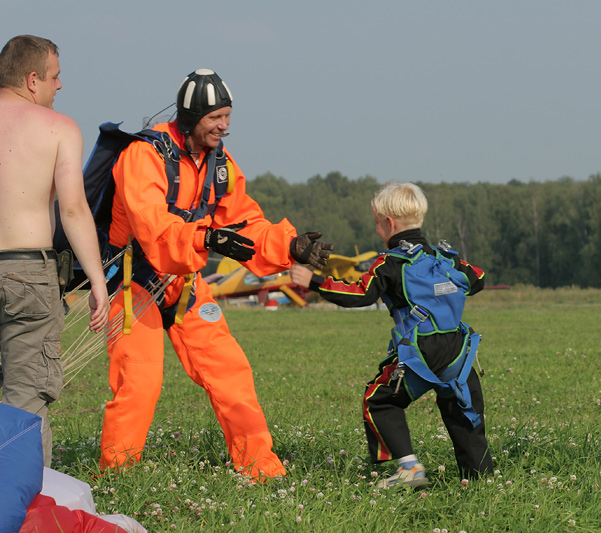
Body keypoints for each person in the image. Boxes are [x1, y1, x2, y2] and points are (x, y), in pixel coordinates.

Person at [97, 68, 332, 481]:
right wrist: (209, 239)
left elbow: (244, 224)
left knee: (230, 371)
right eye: (215, 118)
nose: (224, 126)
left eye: (227, 116)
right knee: (140, 381)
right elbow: (154, 231)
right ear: (189, 119)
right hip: (134, 283)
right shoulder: (143, 157)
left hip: (185, 284)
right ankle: (117, 480)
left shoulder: (218, 164)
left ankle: (261, 468)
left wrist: (289, 246)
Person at [290, 182, 493, 488]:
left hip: (421, 353)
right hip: (458, 351)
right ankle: (481, 483)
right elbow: (477, 278)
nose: (376, 230)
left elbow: (360, 295)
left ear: (389, 223)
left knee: (379, 401)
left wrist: (314, 281)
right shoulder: (447, 258)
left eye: (376, 223)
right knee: (465, 415)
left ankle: (409, 469)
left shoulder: (390, 262)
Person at [0, 35, 110, 467]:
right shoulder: (59, 128)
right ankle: (24, 513)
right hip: (28, 272)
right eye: (55, 76)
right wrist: (97, 282)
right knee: (25, 399)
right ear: (32, 80)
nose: (59, 86)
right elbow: (74, 209)